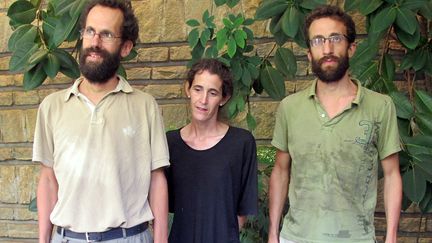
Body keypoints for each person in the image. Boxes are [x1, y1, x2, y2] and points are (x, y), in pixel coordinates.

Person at [34, 0, 170, 242]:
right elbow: (47, 179)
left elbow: (156, 178)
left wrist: (161, 240)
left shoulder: (145, 106)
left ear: (125, 47)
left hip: (129, 237)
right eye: (90, 31)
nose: (94, 42)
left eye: (106, 34)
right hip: (68, 238)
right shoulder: (52, 107)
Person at [268, 5, 402, 243]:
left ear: (351, 48)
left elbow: (391, 174)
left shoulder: (380, 106)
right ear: (309, 53)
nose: (327, 48)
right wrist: (273, 232)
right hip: (296, 238)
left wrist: (391, 237)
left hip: (356, 238)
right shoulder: (289, 108)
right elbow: (280, 170)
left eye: (335, 38)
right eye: (318, 40)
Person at [165, 58, 258, 243]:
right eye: (198, 89)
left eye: (213, 92)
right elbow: (163, 204)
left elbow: (242, 211)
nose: (203, 100)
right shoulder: (170, 143)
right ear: (187, 89)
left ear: (224, 98)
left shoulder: (241, 143)